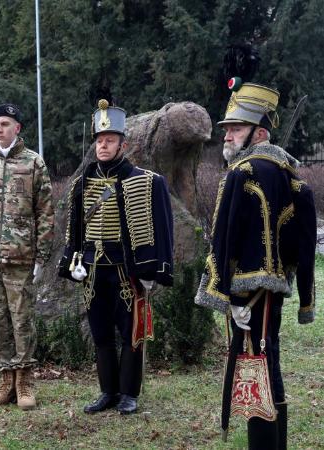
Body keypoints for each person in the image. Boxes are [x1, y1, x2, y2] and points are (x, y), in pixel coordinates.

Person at [195, 82, 316, 449]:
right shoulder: (287, 173)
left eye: (235, 129)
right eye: (228, 129)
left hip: (246, 292)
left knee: (255, 367)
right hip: (274, 287)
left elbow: (225, 237)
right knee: (269, 362)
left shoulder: (242, 173)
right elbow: (302, 237)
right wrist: (290, 276)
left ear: (259, 132)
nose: (227, 136)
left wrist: (225, 292)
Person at [57, 100, 174, 415]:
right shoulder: (82, 184)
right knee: (100, 332)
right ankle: (107, 391)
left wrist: (154, 269)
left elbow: (162, 228)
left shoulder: (146, 181)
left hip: (127, 269)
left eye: (109, 140)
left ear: (124, 144)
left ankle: (129, 393)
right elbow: (75, 228)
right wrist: (74, 262)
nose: (103, 145)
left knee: (131, 332)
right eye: (99, 140)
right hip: (94, 270)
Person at [0, 103, 54, 410]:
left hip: (21, 256)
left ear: (17, 128)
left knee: (22, 320)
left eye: (5, 124)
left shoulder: (33, 164)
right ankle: (5, 381)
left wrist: (41, 257)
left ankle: (25, 381)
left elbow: (45, 213)